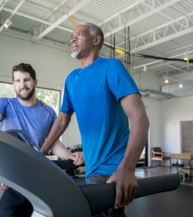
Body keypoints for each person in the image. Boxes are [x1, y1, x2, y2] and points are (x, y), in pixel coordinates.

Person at [40, 23, 149, 217]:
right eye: (72, 36)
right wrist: (40, 152)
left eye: (79, 35)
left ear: (96, 40)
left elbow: (140, 117)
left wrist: (127, 169)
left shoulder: (111, 67)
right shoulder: (71, 79)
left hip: (111, 166)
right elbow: (62, 120)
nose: (72, 39)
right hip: (91, 167)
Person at [0, 63, 84, 217]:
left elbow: (54, 142)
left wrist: (69, 155)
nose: (22, 85)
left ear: (35, 82)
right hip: (8, 180)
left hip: (36, 180)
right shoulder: (5, 104)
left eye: (26, 80)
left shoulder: (48, 112)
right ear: (13, 83)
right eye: (17, 81)